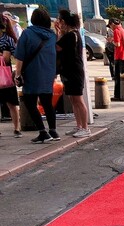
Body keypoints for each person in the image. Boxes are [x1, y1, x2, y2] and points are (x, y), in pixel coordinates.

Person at [14, 8, 58, 143]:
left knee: (30, 103)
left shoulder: (27, 33)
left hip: (31, 74)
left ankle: (42, 132)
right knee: (47, 103)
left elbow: (20, 57)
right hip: (48, 73)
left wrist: (18, 74)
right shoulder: (52, 35)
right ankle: (53, 131)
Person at [56, 10, 90, 137]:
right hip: (69, 71)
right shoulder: (72, 34)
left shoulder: (71, 35)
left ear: (64, 22)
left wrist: (58, 32)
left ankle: (85, 128)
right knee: (73, 99)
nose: (58, 22)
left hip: (74, 71)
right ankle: (79, 125)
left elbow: (57, 47)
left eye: (59, 20)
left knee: (78, 99)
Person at [0, 15, 20, 138]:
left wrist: (3, 56)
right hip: (5, 73)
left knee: (11, 103)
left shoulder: (8, 39)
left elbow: (14, 55)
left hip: (5, 75)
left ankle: (17, 128)